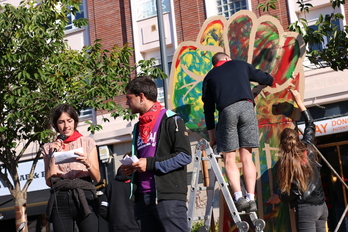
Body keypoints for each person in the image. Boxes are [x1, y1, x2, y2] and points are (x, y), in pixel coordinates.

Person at [202, 52, 274, 212]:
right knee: (247, 157)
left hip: (227, 111)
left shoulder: (210, 76)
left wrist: (212, 136)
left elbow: (208, 108)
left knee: (229, 158)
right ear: (227, 58)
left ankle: (238, 197)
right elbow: (264, 78)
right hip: (247, 107)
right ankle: (251, 198)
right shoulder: (240, 64)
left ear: (215, 63)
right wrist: (268, 80)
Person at [120, 76, 192, 232]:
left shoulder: (172, 119)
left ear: (141, 97)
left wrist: (149, 163)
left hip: (168, 198)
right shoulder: (137, 126)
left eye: (129, 98)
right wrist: (130, 168)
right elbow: (144, 159)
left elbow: (184, 156)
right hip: (142, 199)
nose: (127, 103)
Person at [267, 89, 328, 232]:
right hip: (322, 206)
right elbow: (311, 125)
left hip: (307, 209)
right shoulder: (308, 145)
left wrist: (279, 197)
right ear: (297, 138)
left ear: (282, 144)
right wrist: (299, 102)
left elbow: (296, 191)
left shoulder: (287, 163)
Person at [42, 104, 101, 232]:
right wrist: (54, 155)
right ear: (56, 125)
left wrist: (87, 162)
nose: (66, 126)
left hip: (84, 194)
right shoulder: (48, 147)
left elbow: (97, 178)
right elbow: (48, 181)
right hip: (60, 196)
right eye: (61, 122)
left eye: (69, 121)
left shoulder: (87, 142)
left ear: (75, 121)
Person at [99, 166, 140, 232]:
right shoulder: (137, 184)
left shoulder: (111, 185)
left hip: (116, 227)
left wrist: (113, 220)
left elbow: (103, 209)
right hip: (136, 227)